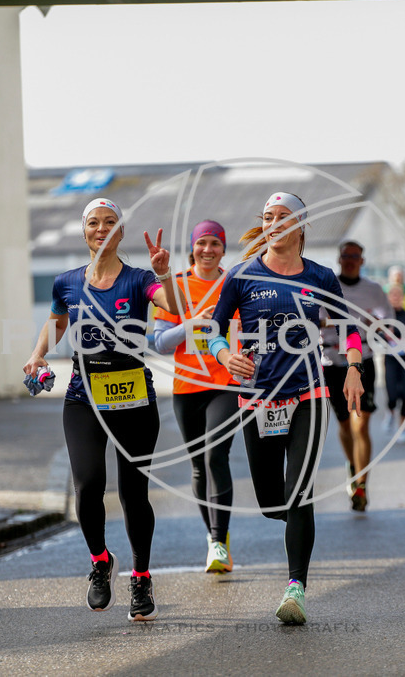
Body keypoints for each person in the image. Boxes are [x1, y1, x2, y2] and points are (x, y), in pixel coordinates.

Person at [207, 192, 364, 625]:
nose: (274, 223)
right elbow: (214, 332)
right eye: (268, 217)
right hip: (256, 400)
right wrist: (224, 356)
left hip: (308, 395)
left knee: (299, 492)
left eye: (283, 217)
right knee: (272, 502)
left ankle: (296, 587)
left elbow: (349, 328)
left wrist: (353, 368)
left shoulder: (321, 276)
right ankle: (293, 520)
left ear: (301, 225)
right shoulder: (240, 276)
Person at [23, 197, 180, 623]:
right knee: (88, 485)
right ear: (85, 230)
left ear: (121, 231)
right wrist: (38, 354)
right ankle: (100, 561)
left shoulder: (139, 279)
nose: (102, 228)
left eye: (111, 222)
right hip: (83, 395)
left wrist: (164, 271)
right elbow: (57, 321)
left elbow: (174, 306)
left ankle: (142, 577)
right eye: (94, 222)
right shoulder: (67, 282)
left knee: (133, 494)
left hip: (134, 396)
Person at [151, 220, 239, 574]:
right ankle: (214, 538)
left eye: (215, 243)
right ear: (192, 248)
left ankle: (219, 539)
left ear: (223, 249)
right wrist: (192, 324)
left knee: (216, 454)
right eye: (202, 243)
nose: (207, 249)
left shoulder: (234, 283)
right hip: (187, 388)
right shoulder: (177, 287)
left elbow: (250, 331)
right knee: (199, 465)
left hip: (227, 384)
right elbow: (158, 342)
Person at [320, 240, 393, 512]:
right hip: (330, 360)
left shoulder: (373, 290)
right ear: (339, 259)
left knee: (359, 424)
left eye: (355, 256)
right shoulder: (326, 287)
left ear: (362, 261)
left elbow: (389, 318)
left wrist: (376, 323)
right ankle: (353, 467)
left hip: (362, 359)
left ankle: (361, 484)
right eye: (346, 255)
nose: (350, 260)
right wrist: (338, 321)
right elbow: (310, 319)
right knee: (344, 424)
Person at [383, 265, 405, 440]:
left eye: (398, 295)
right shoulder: (384, 317)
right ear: (388, 297)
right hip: (390, 358)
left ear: (403, 297)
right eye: (392, 295)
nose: (395, 298)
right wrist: (384, 335)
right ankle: (390, 411)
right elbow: (374, 334)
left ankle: (403, 430)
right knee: (392, 394)